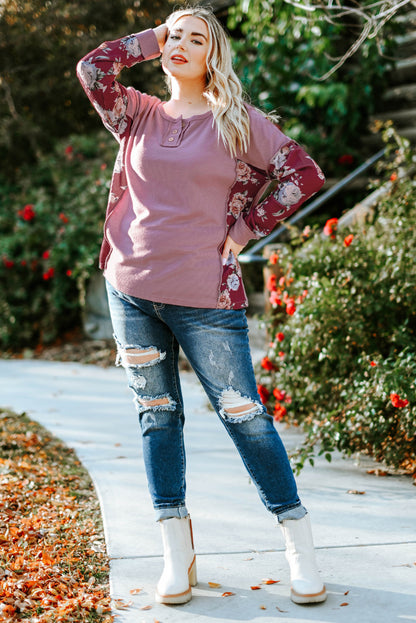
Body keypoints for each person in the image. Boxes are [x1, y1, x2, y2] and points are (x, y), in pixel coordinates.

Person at [77, 5, 327, 607]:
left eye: (195, 37)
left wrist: (242, 232)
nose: (180, 44)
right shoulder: (137, 112)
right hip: (130, 289)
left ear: (214, 54)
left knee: (245, 417)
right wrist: (150, 36)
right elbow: (92, 69)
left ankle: (300, 545)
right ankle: (175, 552)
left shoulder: (237, 120)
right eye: (173, 35)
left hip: (206, 298)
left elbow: (302, 172)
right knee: (157, 416)